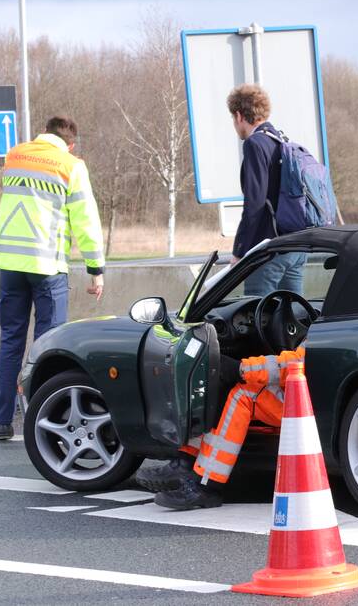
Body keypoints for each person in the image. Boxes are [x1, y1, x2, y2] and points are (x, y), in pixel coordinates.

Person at [0, 116, 105, 440]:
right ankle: (40, 419)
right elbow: (86, 221)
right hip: (46, 265)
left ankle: (1, 421)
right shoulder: (71, 165)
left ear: (44, 134)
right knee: (48, 347)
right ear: (70, 143)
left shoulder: (15, 156)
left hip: (10, 264)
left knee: (10, 341)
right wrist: (95, 269)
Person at [136, 347, 306, 509]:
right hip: (309, 394)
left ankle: (207, 486)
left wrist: (241, 368)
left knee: (242, 394)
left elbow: (297, 363)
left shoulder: (326, 320)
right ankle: (185, 464)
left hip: (306, 402)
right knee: (220, 383)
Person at [226, 84, 306, 296]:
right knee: (294, 318)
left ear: (239, 115)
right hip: (296, 247)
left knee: (257, 317)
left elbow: (255, 203)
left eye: (233, 120)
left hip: (270, 251)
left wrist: (239, 252)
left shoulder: (255, 144)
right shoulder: (281, 141)